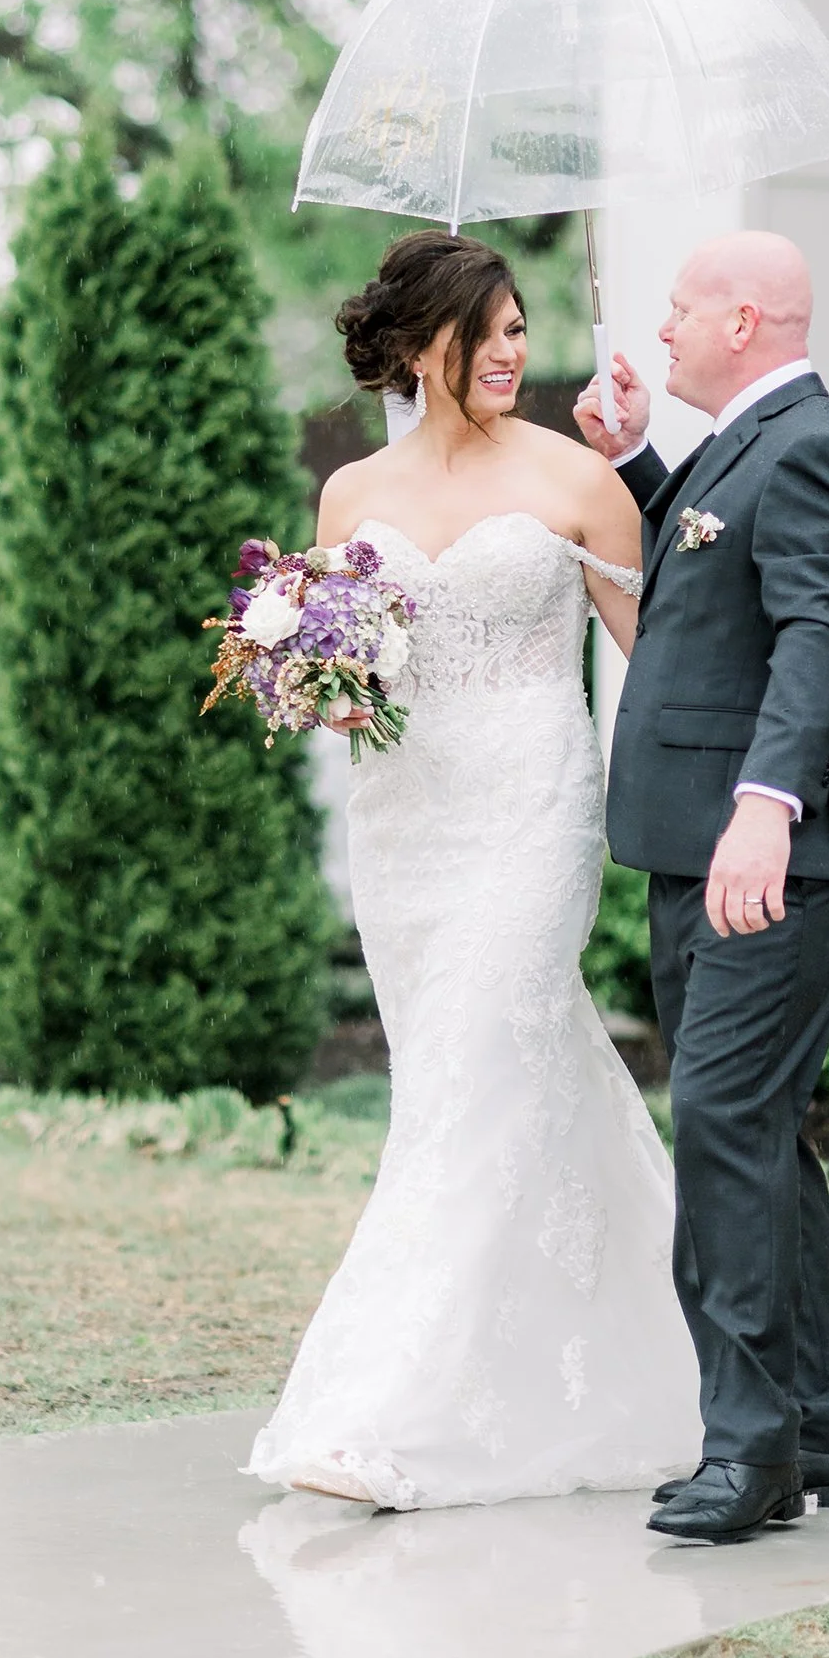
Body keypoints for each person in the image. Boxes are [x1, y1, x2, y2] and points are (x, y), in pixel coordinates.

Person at [245, 229, 702, 1510]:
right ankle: (668, 1357)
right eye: (490, 330)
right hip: (402, 831)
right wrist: (315, 684)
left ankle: (383, 1413)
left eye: (518, 328)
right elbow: (335, 656)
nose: (514, 351)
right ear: (419, 345)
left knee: (485, 1070)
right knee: (468, 1085)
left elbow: (661, 658)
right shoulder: (348, 496)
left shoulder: (574, 478)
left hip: (529, 813)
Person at [575, 231, 829, 1545]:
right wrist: (640, 459)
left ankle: (749, 1451)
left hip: (770, 861)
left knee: (717, 1123)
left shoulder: (817, 447)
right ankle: (825, 1429)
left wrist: (763, 809)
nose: (661, 330)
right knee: (754, 1131)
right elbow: (710, 582)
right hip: (702, 850)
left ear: (743, 320)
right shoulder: (738, 447)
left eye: (678, 312)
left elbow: (820, 637)